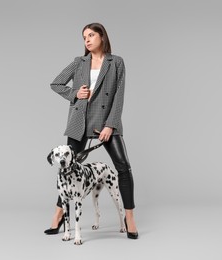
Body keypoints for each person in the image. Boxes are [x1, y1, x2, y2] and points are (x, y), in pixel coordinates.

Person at [44, 22, 138, 239]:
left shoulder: (117, 62)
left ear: (102, 36)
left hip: (106, 122)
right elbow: (56, 84)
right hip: (80, 122)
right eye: (84, 36)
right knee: (67, 169)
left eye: (91, 35)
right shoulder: (79, 62)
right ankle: (58, 215)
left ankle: (130, 218)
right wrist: (76, 93)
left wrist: (110, 125)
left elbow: (118, 96)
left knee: (123, 168)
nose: (86, 39)